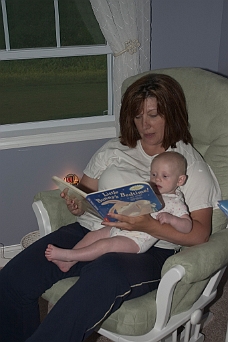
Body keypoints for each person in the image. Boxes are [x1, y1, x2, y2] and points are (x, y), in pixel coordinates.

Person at [0, 73, 222, 342]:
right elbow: (88, 195)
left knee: (95, 283)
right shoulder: (113, 149)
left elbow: (200, 235)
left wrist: (148, 224)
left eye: (153, 115)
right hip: (92, 231)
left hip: (147, 249)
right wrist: (77, 204)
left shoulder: (187, 164)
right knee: (12, 280)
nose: (144, 125)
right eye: (137, 116)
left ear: (171, 114)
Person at [45, 151, 192, 273]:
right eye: (154, 175)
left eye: (164, 176)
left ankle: (68, 255)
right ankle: (69, 263)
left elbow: (187, 226)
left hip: (136, 240)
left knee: (105, 245)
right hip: (120, 228)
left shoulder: (175, 202)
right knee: (93, 235)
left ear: (180, 180)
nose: (157, 179)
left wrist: (172, 219)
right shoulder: (148, 191)